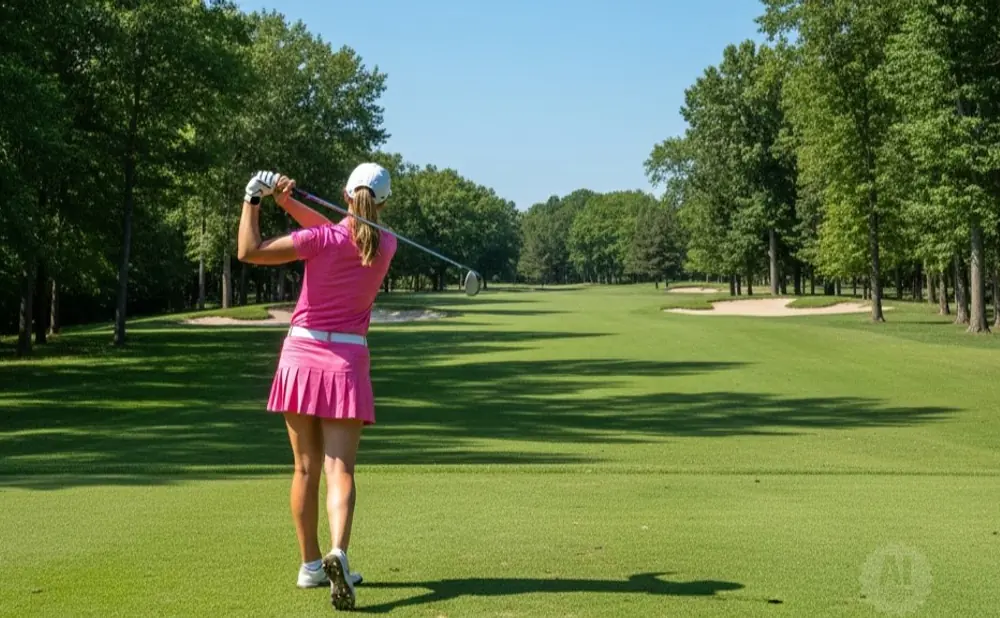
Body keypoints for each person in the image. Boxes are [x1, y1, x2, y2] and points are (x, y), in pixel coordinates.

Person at [236, 163, 397, 611]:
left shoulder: (320, 241)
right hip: (347, 361)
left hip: (301, 358)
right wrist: (287, 202)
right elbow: (339, 232)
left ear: (345, 194)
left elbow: (249, 250)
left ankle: (310, 564)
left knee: (304, 469)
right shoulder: (386, 245)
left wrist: (254, 198)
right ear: (382, 203)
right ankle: (338, 554)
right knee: (339, 470)